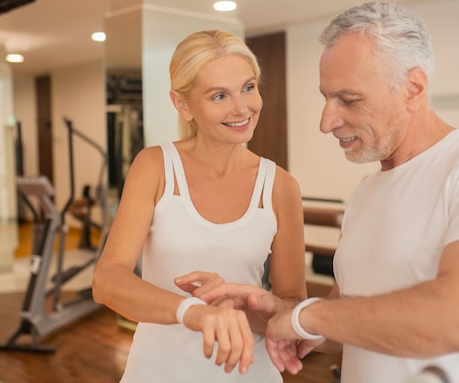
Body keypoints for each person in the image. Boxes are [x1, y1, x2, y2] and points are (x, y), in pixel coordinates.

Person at [198, 2, 459, 383]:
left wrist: (306, 316)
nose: (326, 121)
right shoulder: (366, 193)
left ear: (413, 89)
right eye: (326, 97)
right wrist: (278, 314)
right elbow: (345, 321)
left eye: (348, 100)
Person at [92, 29, 307, 383]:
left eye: (248, 88)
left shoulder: (281, 186)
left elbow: (291, 307)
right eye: (219, 95)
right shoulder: (155, 167)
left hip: (250, 374)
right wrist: (194, 311)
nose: (242, 108)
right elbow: (108, 280)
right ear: (182, 104)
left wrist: (247, 305)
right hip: (158, 370)